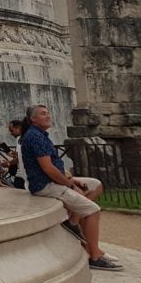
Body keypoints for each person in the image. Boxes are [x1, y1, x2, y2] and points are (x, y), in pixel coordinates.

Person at [19, 104, 123, 271]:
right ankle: (95, 255)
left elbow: (53, 167)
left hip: (53, 181)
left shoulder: (39, 135)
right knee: (92, 210)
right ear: (33, 119)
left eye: (48, 113)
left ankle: (73, 221)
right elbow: (47, 169)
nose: (48, 116)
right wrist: (70, 184)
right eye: (43, 114)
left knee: (95, 185)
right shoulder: (35, 137)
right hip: (46, 185)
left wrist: (72, 181)